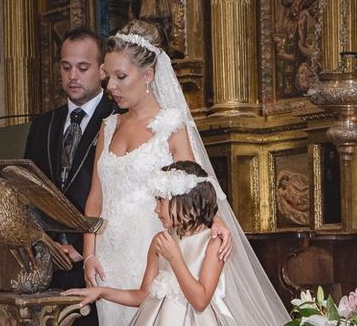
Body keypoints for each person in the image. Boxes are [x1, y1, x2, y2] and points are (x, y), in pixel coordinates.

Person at [81, 19, 290, 325]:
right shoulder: (107, 127)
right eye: (107, 76)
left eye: (120, 76)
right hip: (107, 257)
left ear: (148, 74)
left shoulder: (170, 124)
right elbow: (95, 200)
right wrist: (89, 255)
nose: (110, 87)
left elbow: (195, 184)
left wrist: (216, 221)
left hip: (153, 246)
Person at [63, 161, 236, 325]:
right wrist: (102, 292)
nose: (156, 209)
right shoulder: (159, 241)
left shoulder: (213, 243)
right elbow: (142, 295)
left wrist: (174, 258)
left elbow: (200, 301)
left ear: (184, 199)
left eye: (161, 200)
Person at [24, 26, 117, 326]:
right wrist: (48, 245)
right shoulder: (42, 126)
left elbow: (121, 196)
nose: (72, 76)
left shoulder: (118, 117)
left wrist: (84, 248)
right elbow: (29, 192)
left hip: (101, 266)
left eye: (82, 67)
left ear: (102, 70)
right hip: (48, 267)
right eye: (66, 67)